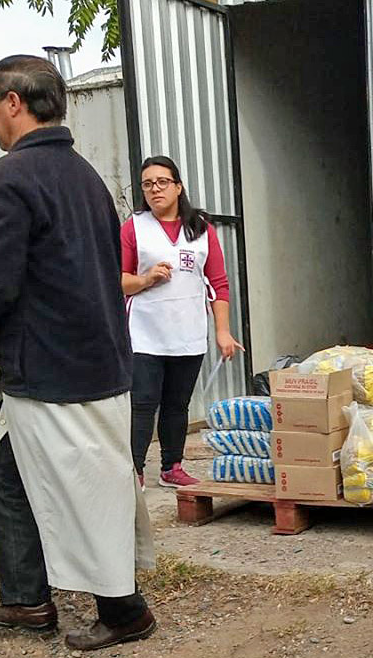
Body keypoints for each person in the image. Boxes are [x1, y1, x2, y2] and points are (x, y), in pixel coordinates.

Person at [0, 55, 156, 651]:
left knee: (89, 486)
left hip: (53, 365)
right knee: (4, 474)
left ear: (13, 103)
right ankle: (27, 600)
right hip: (94, 357)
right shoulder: (85, 176)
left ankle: (125, 611)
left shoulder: (10, 177)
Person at [120, 156, 241, 490]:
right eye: (147, 184)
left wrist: (222, 331)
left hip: (188, 332)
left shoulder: (200, 228)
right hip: (145, 333)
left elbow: (218, 283)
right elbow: (118, 280)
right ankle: (135, 471)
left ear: (178, 186)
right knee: (142, 403)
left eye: (162, 182)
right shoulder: (134, 227)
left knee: (178, 404)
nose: (155, 189)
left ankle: (172, 466)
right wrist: (145, 279)